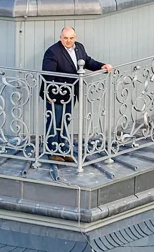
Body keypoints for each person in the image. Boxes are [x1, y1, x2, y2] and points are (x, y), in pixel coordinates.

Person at [39, 26, 111, 159]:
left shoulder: (79, 47)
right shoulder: (52, 52)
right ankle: (53, 151)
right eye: (65, 38)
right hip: (56, 94)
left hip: (71, 93)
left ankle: (63, 150)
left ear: (75, 38)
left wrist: (102, 66)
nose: (68, 41)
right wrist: (50, 96)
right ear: (60, 38)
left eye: (71, 38)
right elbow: (48, 75)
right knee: (55, 122)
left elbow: (87, 61)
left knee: (65, 121)